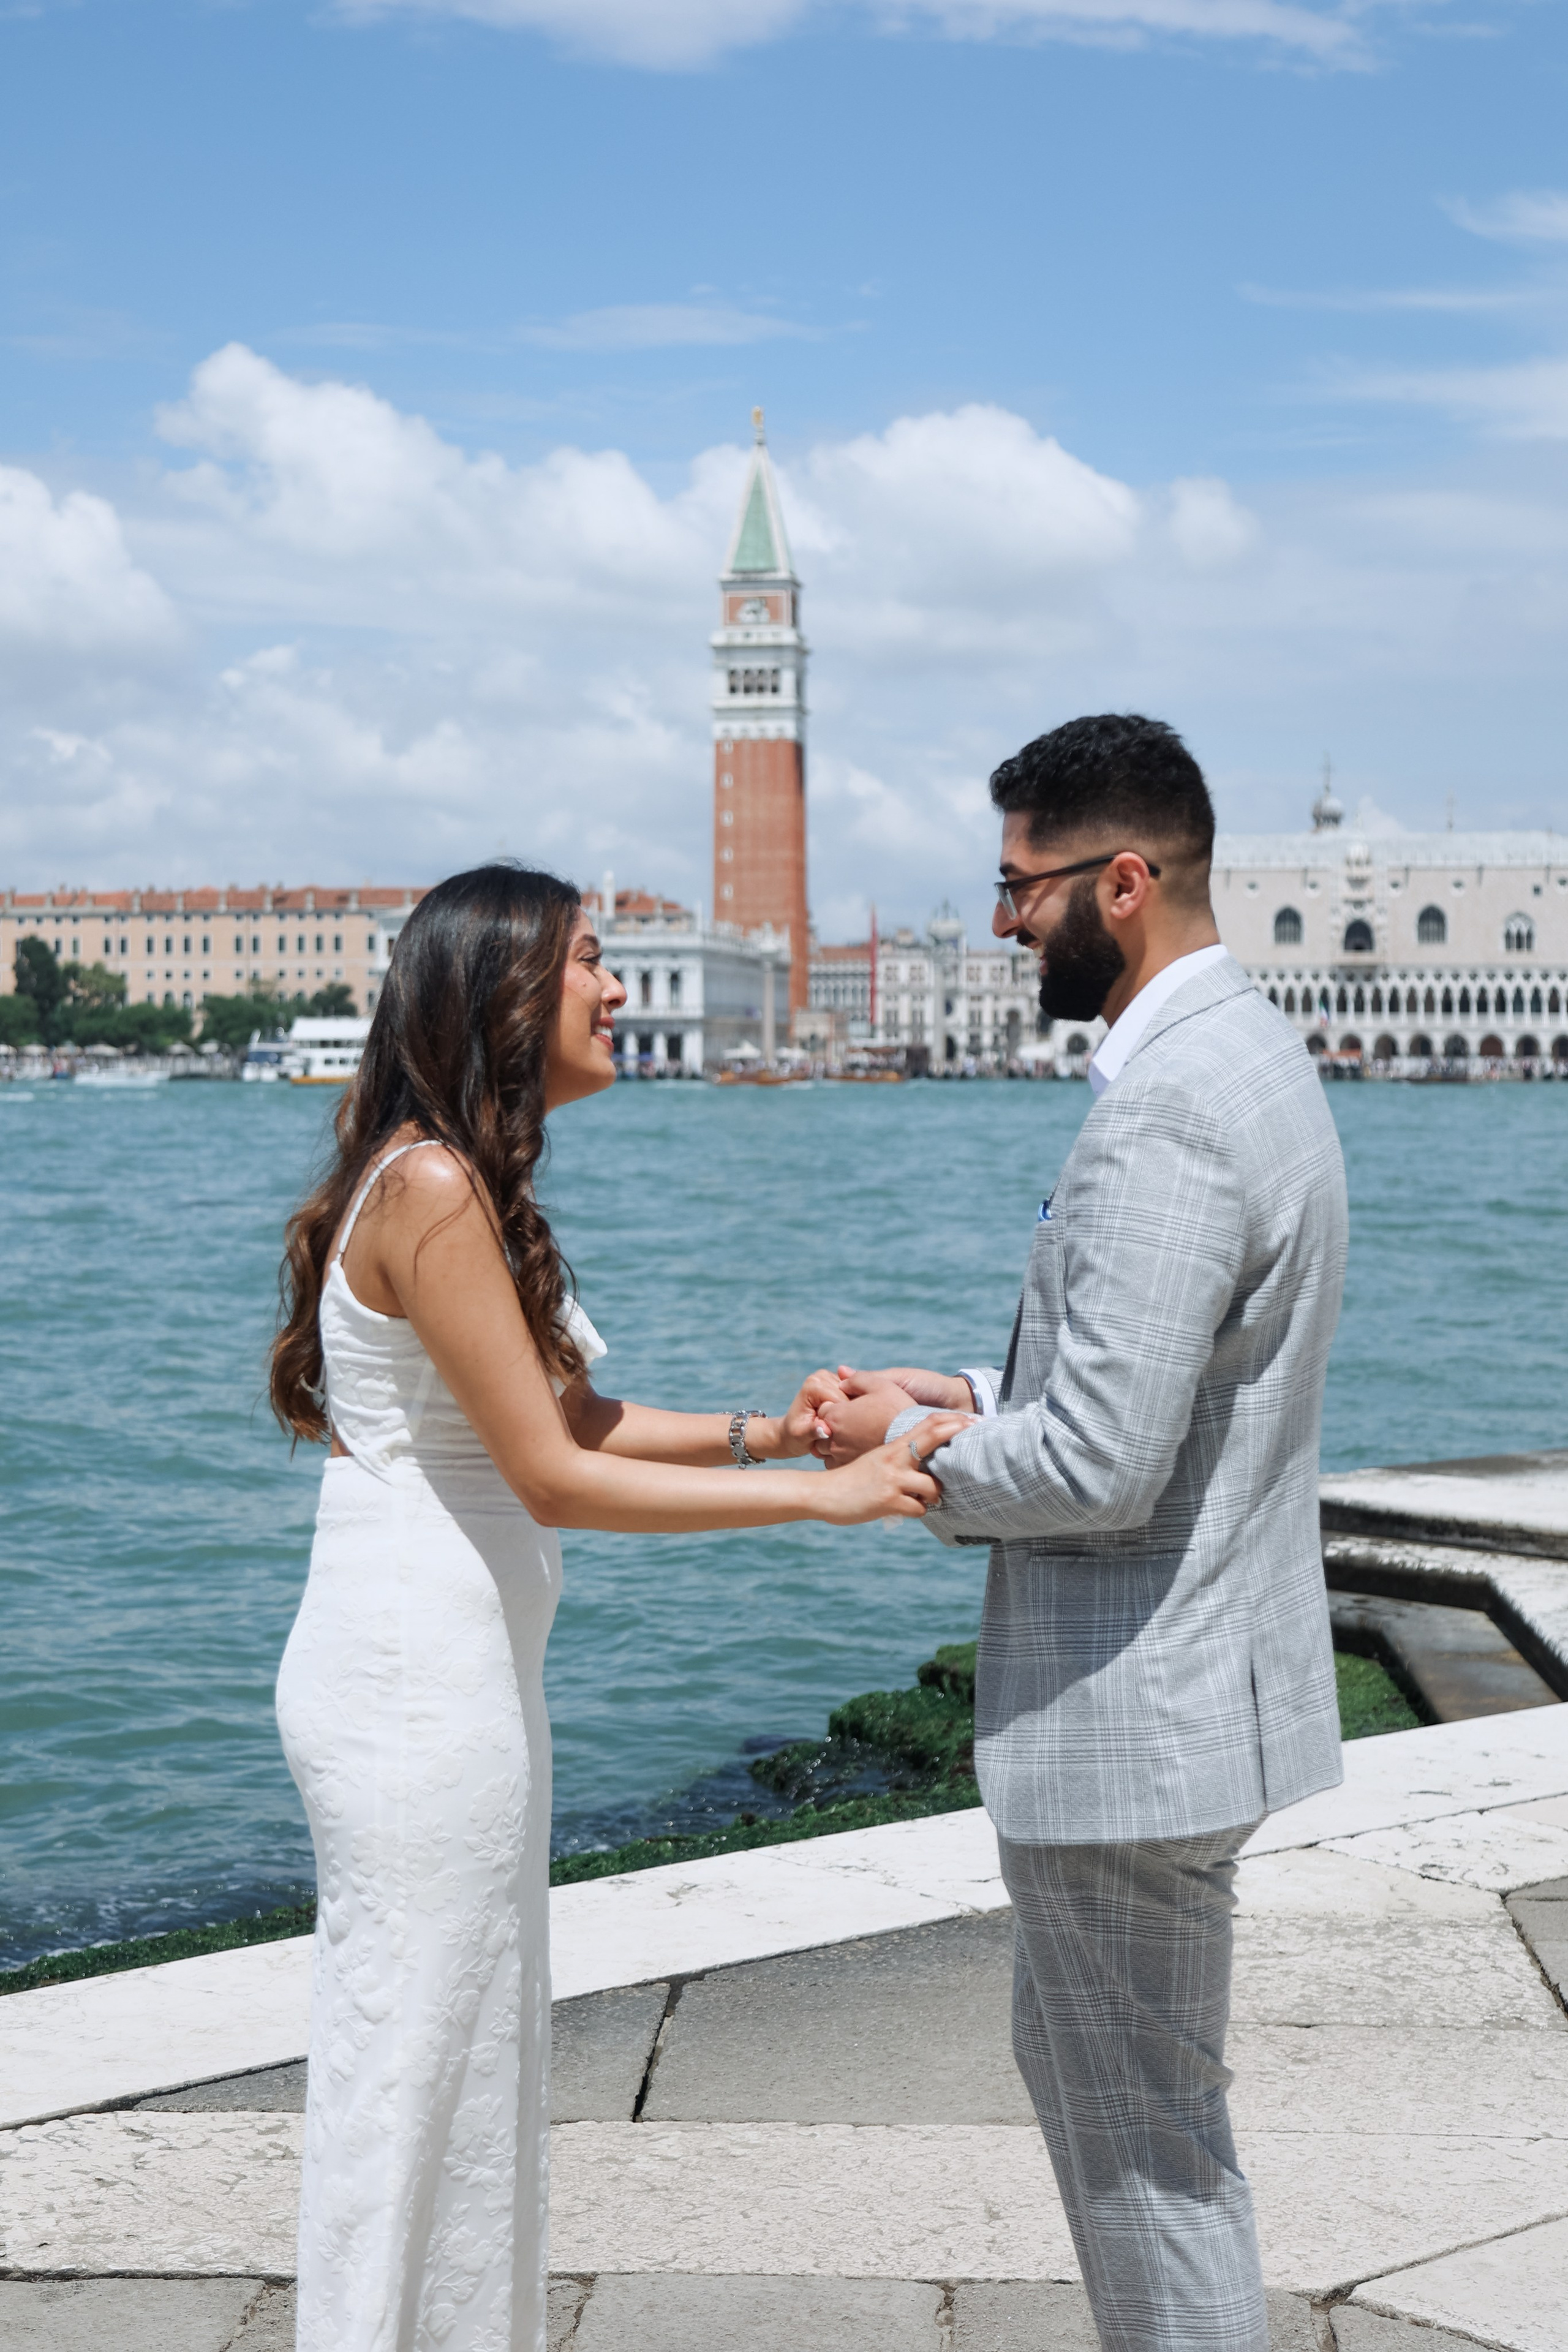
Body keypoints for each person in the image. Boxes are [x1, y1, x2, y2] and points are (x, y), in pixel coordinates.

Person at [270, 862, 965, 2352]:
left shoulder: (448, 1176)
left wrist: (765, 1436)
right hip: (411, 1690)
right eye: (590, 961)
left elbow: (571, 1416)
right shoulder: (436, 1188)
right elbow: (551, 1477)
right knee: (415, 2076)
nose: (618, 990)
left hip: (442, 1677)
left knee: (461, 2060)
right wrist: (817, 1500)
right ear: (504, 993)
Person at [809, 714, 1348, 2352]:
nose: (1001, 924)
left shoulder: (1167, 1110)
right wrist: (972, 1384)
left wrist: (900, 1450)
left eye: (1020, 887)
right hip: (1201, 1696)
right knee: (1131, 2111)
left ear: (1125, 880)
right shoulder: (1246, 1056)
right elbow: (1166, 1385)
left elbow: (1107, 1464)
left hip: (1135, 1721)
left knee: (1145, 2159)